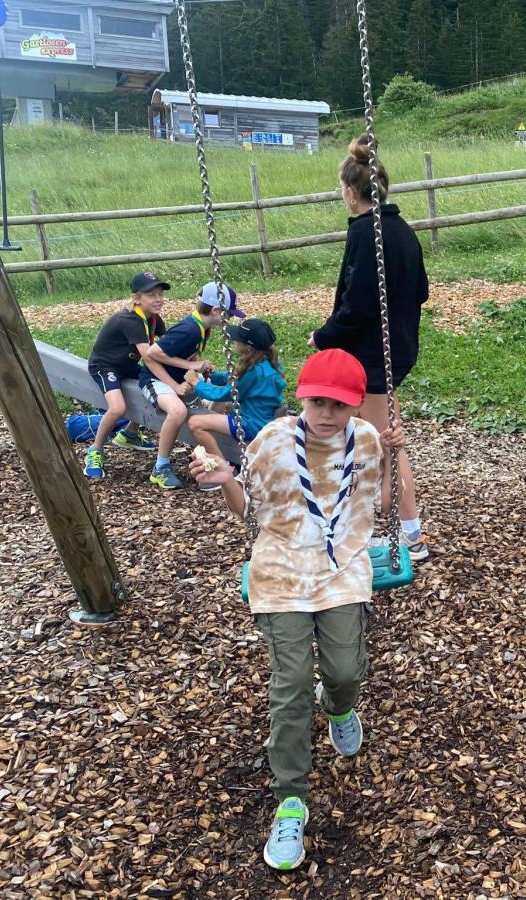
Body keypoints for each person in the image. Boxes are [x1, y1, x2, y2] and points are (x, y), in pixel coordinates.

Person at [189, 348, 404, 872]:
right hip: (282, 570)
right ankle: (291, 800)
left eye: (340, 405)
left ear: (356, 405)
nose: (327, 414)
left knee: (345, 672)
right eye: (317, 403)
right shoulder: (272, 442)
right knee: (291, 685)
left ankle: (339, 707)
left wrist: (394, 458)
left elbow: (381, 506)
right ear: (302, 399)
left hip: (342, 569)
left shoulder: (367, 440)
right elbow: (249, 513)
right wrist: (226, 482)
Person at [310, 134, 430, 560]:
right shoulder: (403, 230)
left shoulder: (366, 232)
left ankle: (411, 535)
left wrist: (324, 337)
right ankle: (351, 521)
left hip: (372, 359)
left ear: (350, 191)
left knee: (387, 443)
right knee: (364, 439)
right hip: (395, 349)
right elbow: (421, 290)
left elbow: (358, 303)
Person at [139, 281, 244, 489]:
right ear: (215, 311)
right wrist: (188, 368)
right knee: (178, 411)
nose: (229, 319)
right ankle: (160, 467)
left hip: (179, 378)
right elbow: (152, 353)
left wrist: (199, 366)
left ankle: (207, 452)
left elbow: (187, 353)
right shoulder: (189, 329)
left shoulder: (202, 328)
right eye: (228, 314)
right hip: (154, 379)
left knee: (219, 396)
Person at [83, 272, 176, 479]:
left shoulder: (153, 319)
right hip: (105, 366)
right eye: (151, 295)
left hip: (127, 365)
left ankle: (130, 434)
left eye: (160, 294)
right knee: (118, 408)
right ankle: (95, 451)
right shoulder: (130, 320)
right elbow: (149, 356)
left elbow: (170, 344)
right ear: (136, 298)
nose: (158, 299)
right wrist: (176, 375)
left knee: (151, 387)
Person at [186, 317, 286, 490]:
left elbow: (225, 394)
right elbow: (235, 379)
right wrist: (214, 376)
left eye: (238, 340)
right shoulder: (266, 364)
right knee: (214, 414)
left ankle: (222, 469)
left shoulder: (254, 371)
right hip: (262, 419)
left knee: (196, 423)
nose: (234, 342)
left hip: (252, 424)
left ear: (248, 347)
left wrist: (196, 383)